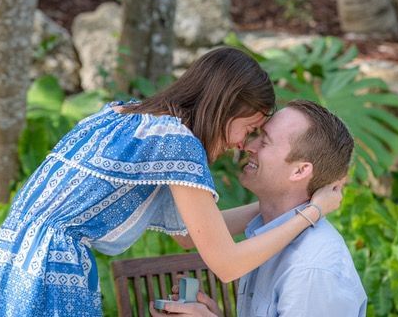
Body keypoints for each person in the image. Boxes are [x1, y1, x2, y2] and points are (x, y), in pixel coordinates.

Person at [0, 48, 344, 317]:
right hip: (51, 268)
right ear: (224, 107)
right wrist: (311, 212)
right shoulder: (177, 144)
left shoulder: (130, 117)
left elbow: (192, 235)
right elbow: (227, 265)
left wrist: (278, 207)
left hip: (15, 256)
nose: (241, 145)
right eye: (249, 129)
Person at [151, 100, 367, 317]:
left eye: (265, 142)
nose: (248, 146)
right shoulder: (268, 235)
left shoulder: (312, 269)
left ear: (300, 171)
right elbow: (186, 233)